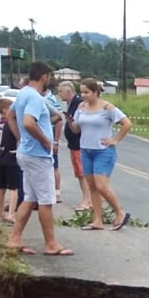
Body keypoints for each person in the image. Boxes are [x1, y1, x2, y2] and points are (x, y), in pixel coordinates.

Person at [5, 61, 73, 256]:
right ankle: (50, 243)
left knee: (30, 198)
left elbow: (10, 116)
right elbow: (28, 122)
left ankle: (14, 237)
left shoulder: (23, 93)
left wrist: (20, 139)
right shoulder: (34, 97)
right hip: (37, 155)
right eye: (49, 78)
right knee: (46, 200)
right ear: (44, 77)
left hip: (27, 153)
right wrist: (44, 141)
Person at [68, 77, 132, 231]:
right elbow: (76, 129)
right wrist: (70, 122)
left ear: (96, 92)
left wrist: (115, 140)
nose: (83, 95)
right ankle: (97, 220)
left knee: (102, 185)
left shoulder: (107, 108)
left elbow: (126, 123)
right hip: (86, 149)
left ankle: (119, 212)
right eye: (81, 92)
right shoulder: (81, 107)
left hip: (103, 151)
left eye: (87, 92)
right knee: (92, 187)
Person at [57, 81, 92, 212]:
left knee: (82, 173)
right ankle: (88, 199)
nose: (59, 94)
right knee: (79, 173)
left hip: (79, 144)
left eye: (61, 91)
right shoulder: (71, 104)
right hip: (74, 144)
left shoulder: (78, 103)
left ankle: (87, 200)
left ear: (68, 91)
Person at [0, 97, 21, 223]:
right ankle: (11, 214)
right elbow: (19, 138)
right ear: (6, 110)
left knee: (1, 188)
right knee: (14, 188)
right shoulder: (12, 124)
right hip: (11, 157)